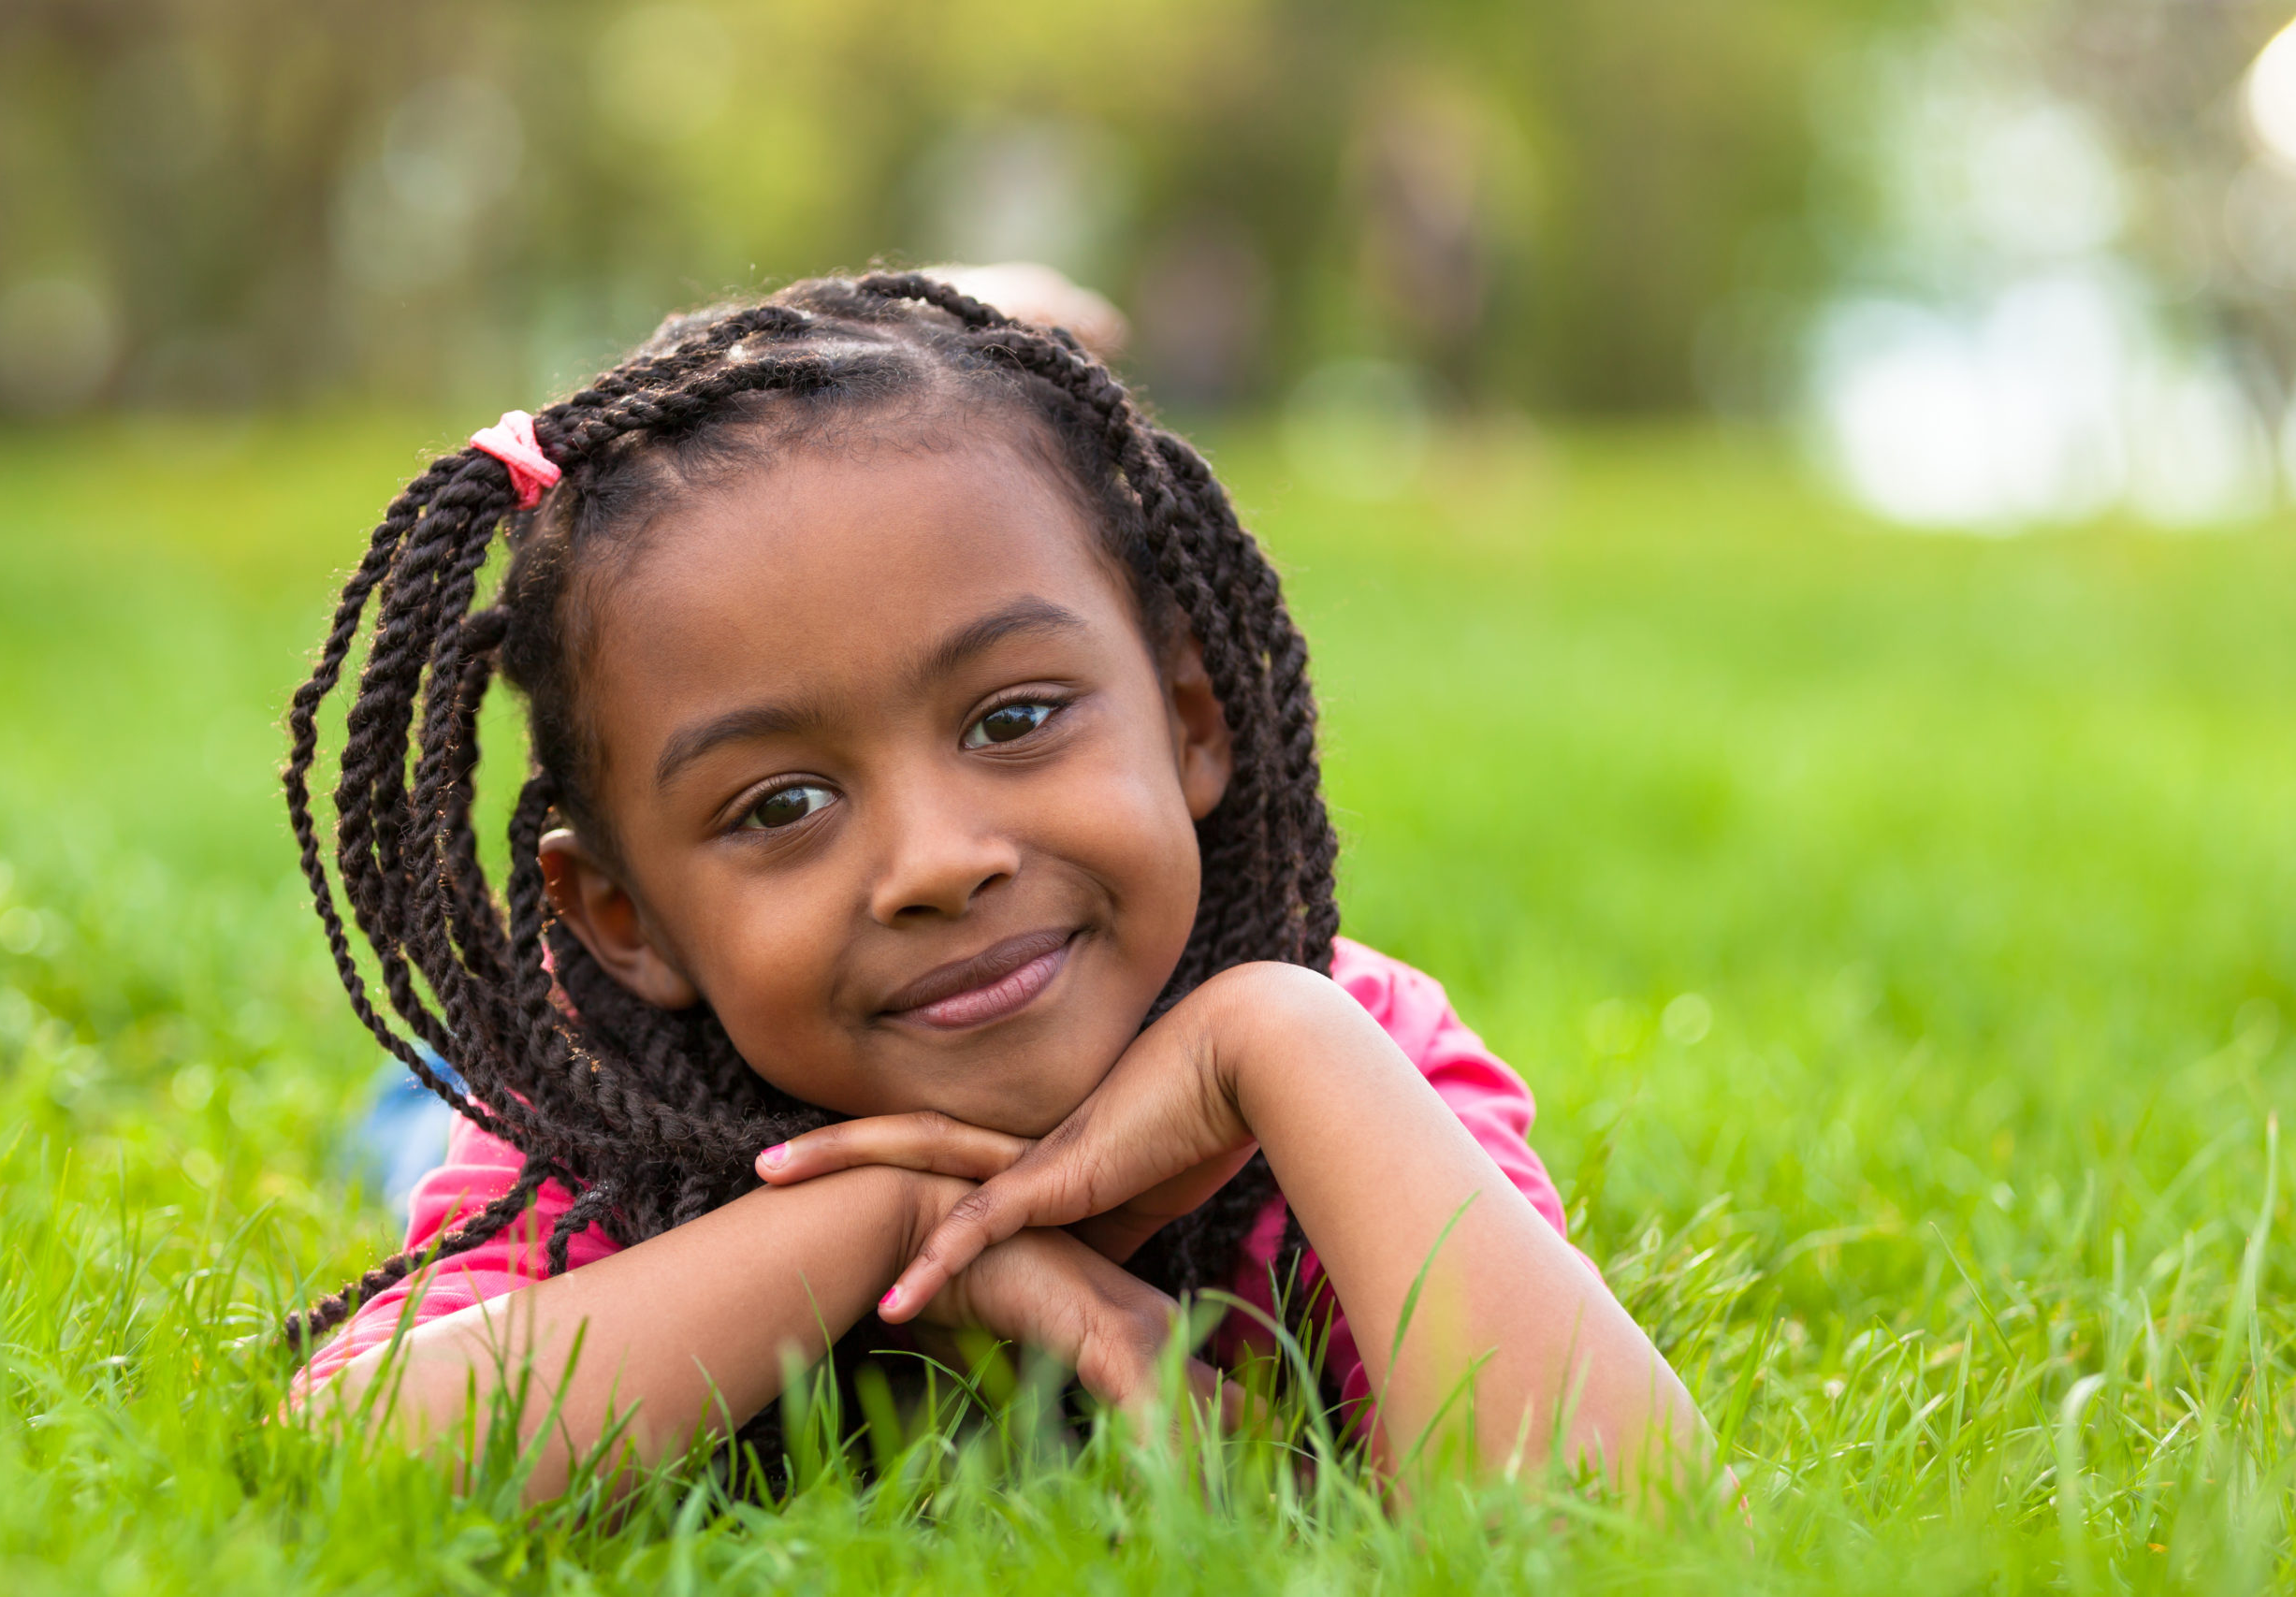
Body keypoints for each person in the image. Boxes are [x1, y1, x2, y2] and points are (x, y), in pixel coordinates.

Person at [282, 271, 1708, 1502]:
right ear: (624, 920)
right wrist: (886, 1222)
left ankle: (934, 340)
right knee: (421, 1107)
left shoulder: (1348, 1059)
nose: (939, 862)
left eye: (1014, 718)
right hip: (560, 1067)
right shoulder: (604, 1115)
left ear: (1192, 718)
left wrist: (1277, 1033)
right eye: (781, 805)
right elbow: (353, 1461)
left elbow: (1612, 1513)